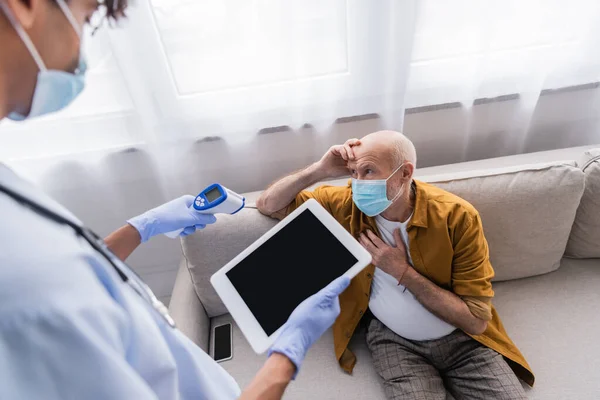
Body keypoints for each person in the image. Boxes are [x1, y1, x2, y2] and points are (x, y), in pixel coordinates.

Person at [0, 1, 351, 399]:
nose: (81, 51)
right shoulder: (21, 298)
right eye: (87, 18)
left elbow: (70, 280)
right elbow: (44, 294)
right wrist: (286, 355)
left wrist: (141, 226)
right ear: (23, 6)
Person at [257, 131, 535, 399]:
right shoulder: (345, 204)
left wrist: (402, 271)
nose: (358, 183)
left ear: (405, 173)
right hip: (394, 341)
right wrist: (319, 170)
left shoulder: (457, 217)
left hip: (464, 342)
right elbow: (269, 205)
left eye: (368, 172)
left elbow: (475, 321)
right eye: (353, 173)